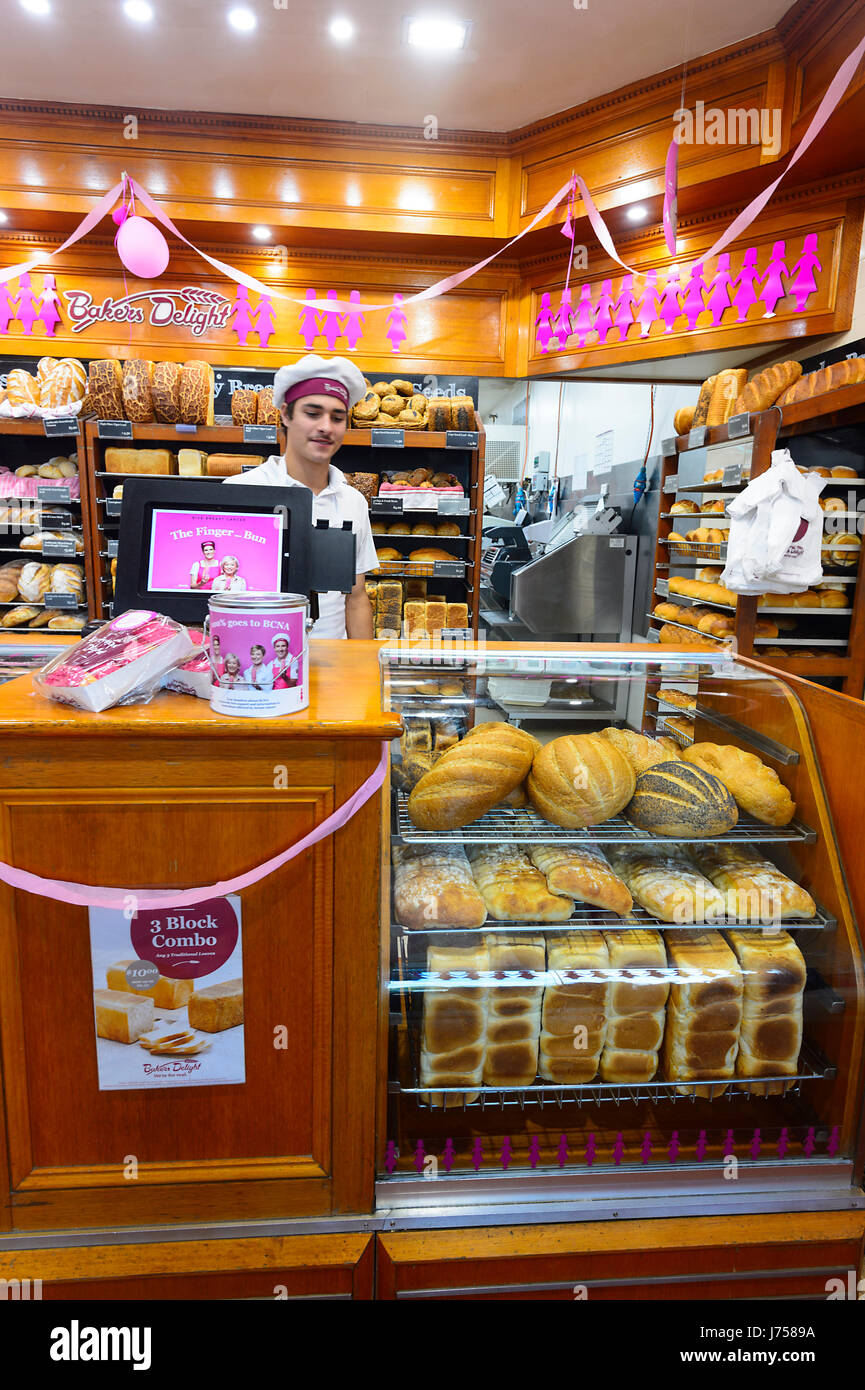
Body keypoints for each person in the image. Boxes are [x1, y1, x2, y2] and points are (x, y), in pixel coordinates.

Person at [222, 353, 375, 638]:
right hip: (255, 660)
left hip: (333, 667)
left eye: (337, 417)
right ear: (285, 414)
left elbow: (356, 598)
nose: (326, 427)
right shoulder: (240, 491)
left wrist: (362, 671)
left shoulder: (353, 501)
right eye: (313, 413)